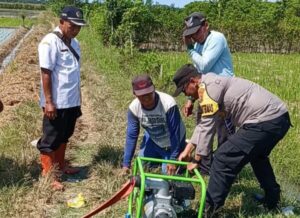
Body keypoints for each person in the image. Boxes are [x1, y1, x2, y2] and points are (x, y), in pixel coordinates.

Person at [173, 64, 291, 216]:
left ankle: (208, 210)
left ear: (192, 81)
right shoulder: (206, 88)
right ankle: (272, 200)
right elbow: (204, 124)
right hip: (278, 118)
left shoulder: (209, 89)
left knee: (222, 159)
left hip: (266, 120)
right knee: (258, 156)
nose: (185, 95)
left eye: (184, 90)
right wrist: (187, 150)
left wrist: (196, 160)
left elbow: (207, 129)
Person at [37, 6, 86, 190]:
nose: (75, 29)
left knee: (65, 135)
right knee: (51, 138)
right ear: (62, 22)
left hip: (72, 100)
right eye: (72, 25)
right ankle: (48, 176)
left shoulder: (75, 43)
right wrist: (49, 102)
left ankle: (61, 166)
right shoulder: (50, 42)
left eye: (78, 26)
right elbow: (46, 73)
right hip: (56, 102)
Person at [181, 12, 235, 175]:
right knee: (203, 130)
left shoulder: (217, 38)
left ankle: (226, 170)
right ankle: (205, 167)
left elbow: (204, 65)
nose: (195, 37)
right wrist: (191, 99)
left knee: (224, 135)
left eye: (197, 32)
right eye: (191, 34)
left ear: (206, 25)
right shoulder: (198, 45)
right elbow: (198, 75)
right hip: (206, 93)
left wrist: (189, 48)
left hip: (224, 95)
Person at [122, 75, 186, 175]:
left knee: (168, 174)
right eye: (142, 96)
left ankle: (184, 152)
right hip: (154, 141)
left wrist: (173, 159)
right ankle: (158, 156)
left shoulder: (168, 103)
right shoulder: (134, 108)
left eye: (149, 94)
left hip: (173, 142)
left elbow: (175, 134)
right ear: (135, 94)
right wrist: (126, 164)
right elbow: (131, 136)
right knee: (141, 167)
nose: (146, 99)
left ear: (154, 89)